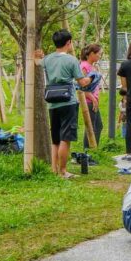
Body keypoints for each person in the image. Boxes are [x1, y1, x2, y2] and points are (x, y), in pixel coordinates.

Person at [43, 29, 92, 178]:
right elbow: (82, 82)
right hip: (68, 102)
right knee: (66, 137)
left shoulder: (47, 59)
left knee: (55, 139)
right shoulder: (71, 60)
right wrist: (91, 78)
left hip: (52, 102)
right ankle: (63, 171)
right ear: (68, 42)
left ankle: (54, 169)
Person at [79, 43, 103, 143]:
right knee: (91, 128)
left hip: (93, 100)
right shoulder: (84, 66)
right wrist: (93, 99)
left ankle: (93, 149)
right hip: (88, 101)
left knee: (98, 125)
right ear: (92, 53)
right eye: (99, 54)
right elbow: (82, 87)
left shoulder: (92, 66)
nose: (100, 56)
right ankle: (88, 150)